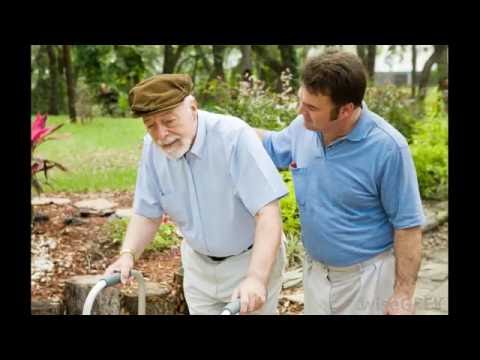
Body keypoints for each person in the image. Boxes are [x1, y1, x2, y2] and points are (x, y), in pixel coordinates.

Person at [255, 50, 425, 315]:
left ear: (346, 110)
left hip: (367, 279)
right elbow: (271, 146)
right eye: (301, 101)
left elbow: (408, 227)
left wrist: (403, 293)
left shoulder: (388, 148)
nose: (300, 112)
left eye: (311, 107)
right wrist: (222, 129)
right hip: (316, 275)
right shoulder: (303, 128)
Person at [104, 74, 288, 315]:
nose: (161, 135)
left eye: (168, 121)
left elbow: (268, 213)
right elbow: (148, 213)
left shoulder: (234, 136)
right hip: (197, 266)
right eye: (151, 126)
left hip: (250, 260)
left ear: (192, 107)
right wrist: (127, 255)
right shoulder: (152, 148)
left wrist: (256, 278)